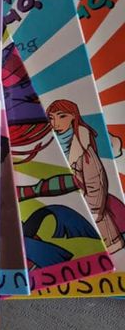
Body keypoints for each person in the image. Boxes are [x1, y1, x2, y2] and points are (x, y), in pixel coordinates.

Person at [47, 99, 125, 254]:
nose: (56, 123)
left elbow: (96, 179)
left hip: (93, 212)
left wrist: (94, 209)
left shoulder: (81, 145)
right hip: (70, 209)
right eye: (51, 118)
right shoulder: (52, 143)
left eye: (62, 116)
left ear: (73, 116)